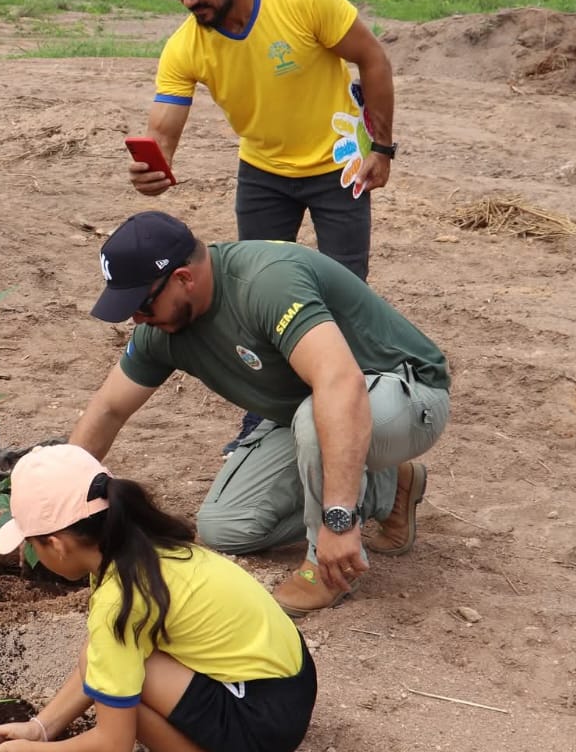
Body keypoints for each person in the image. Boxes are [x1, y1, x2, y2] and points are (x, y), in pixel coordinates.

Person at [69, 211, 451, 617]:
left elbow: (341, 384)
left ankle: (329, 566)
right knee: (226, 527)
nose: (136, 319)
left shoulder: (266, 283)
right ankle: (388, 489)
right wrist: (61, 501)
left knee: (313, 420)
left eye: (142, 304)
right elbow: (108, 409)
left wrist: (338, 521)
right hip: (313, 413)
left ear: (183, 278)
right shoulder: (161, 328)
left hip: (407, 394)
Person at [139, 0, 402, 450]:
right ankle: (263, 418)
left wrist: (382, 147)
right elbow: (163, 130)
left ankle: (356, 410)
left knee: (345, 293)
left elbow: (372, 58)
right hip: (262, 176)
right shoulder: (186, 46)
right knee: (255, 298)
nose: (188, 2)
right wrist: (154, 166)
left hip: (340, 167)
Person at [0, 444, 316, 752]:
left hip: (263, 721)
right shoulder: (136, 548)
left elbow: (113, 744)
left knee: (120, 669)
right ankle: (212, 740)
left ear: (57, 545)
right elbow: (99, 659)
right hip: (286, 683)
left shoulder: (120, 599)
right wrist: (40, 729)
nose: (26, 552)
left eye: (29, 542)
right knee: (105, 657)